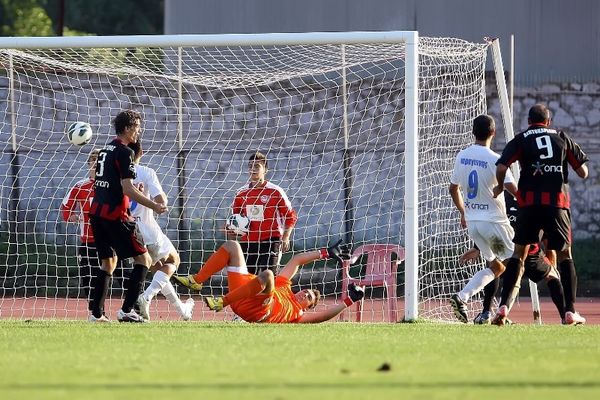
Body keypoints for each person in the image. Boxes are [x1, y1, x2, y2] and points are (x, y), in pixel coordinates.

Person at [492, 104, 589, 326]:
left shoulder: (522, 138)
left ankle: (504, 306)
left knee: (519, 254)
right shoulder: (562, 137)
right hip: (557, 205)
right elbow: (583, 172)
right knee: (565, 255)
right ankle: (570, 312)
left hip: (529, 205)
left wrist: (499, 186)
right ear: (549, 121)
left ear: (529, 121)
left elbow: (501, 168)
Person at [173, 151, 297, 289]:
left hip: (272, 240)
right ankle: (245, 309)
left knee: (269, 275)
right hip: (248, 241)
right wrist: (232, 230)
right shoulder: (241, 193)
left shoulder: (275, 191)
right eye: (250, 166)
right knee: (247, 279)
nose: (253, 169)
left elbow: (290, 215)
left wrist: (286, 237)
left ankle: (268, 309)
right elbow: (236, 219)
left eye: (257, 166)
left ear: (265, 169)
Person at [88, 109, 167, 323]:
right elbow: (128, 189)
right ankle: (126, 310)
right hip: (115, 215)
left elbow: (100, 179)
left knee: (109, 262)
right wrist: (155, 205)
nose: (138, 133)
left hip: (96, 213)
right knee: (144, 259)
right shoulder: (124, 152)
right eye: (137, 128)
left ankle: (96, 314)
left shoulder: (105, 150)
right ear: (127, 128)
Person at [174, 240, 365, 323]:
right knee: (232, 246)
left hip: (258, 311)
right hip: (242, 296)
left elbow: (323, 316)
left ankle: (221, 302)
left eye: (308, 298)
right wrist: (326, 253)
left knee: (267, 275)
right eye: (306, 291)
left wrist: (349, 301)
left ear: (307, 307)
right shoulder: (286, 288)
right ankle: (197, 281)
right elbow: (296, 259)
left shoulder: (297, 315)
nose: (304, 294)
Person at [448, 114, 518, 323]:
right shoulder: (496, 159)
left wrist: (463, 212)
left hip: (473, 224)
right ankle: (501, 313)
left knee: (497, 267)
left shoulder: (462, 156)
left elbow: (453, 189)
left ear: (472, 132)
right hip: (494, 222)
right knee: (519, 261)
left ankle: (463, 297)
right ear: (493, 133)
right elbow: (513, 190)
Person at [463, 194, 567, 324]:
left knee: (494, 266)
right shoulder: (536, 199)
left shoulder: (500, 196)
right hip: (530, 249)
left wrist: (477, 247)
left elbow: (489, 224)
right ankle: (565, 315)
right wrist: (551, 263)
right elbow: (547, 237)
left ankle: (487, 313)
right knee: (551, 275)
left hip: (504, 247)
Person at [127, 141, 194, 321]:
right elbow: (160, 197)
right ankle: (146, 297)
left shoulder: (118, 174)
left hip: (127, 231)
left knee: (158, 271)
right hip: (148, 230)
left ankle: (183, 311)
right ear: (142, 152)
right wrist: (162, 203)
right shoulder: (146, 172)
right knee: (174, 260)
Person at [60, 149, 132, 312]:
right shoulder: (80, 186)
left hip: (113, 239)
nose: (96, 167)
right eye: (93, 163)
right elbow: (65, 208)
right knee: (89, 279)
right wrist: (72, 216)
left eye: (100, 164)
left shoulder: (115, 184)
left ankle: (133, 308)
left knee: (124, 276)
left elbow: (127, 204)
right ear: (89, 165)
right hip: (89, 241)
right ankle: (97, 313)